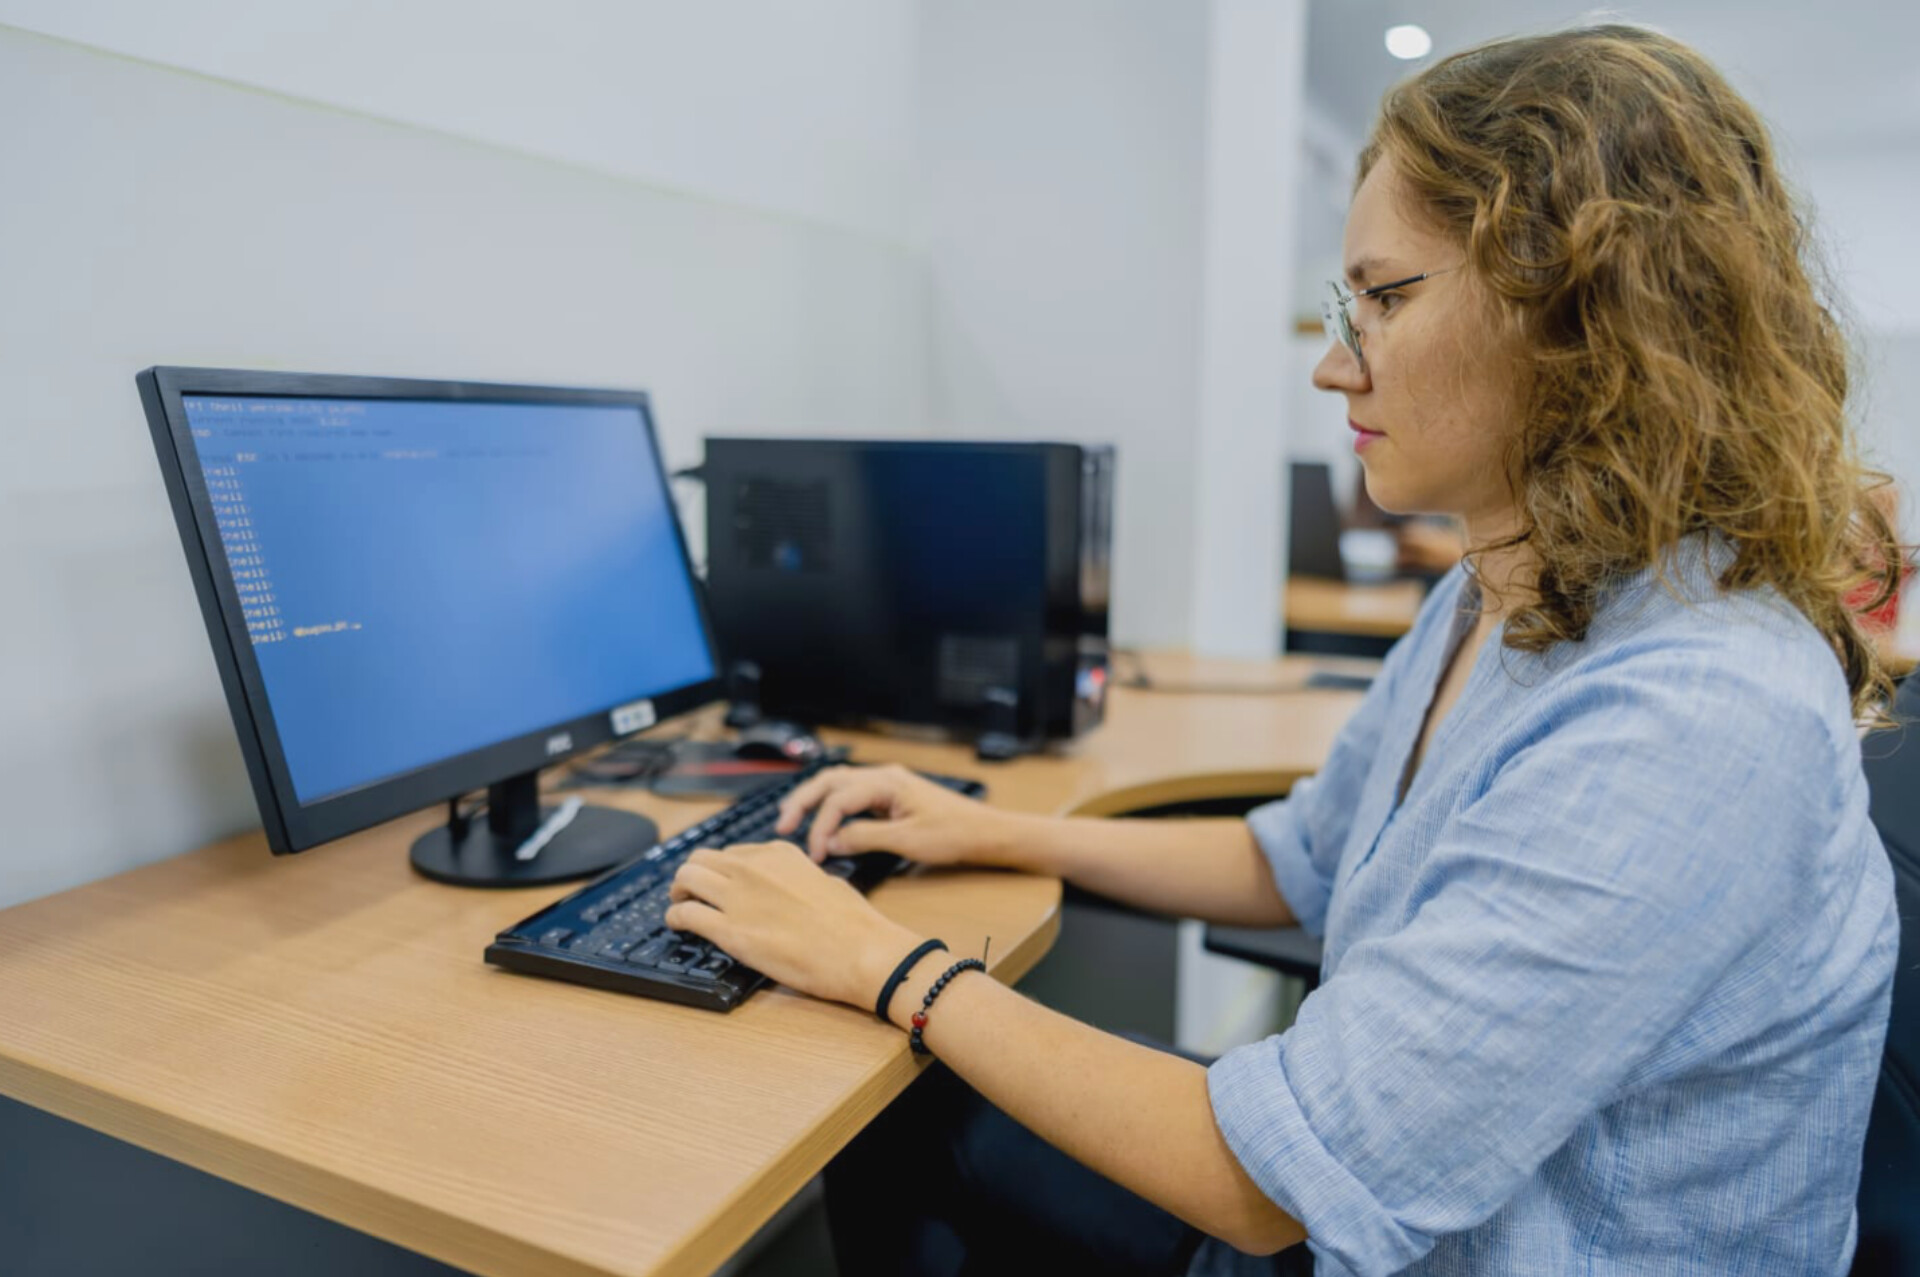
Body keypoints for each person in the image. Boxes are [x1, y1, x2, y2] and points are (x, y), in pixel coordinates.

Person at [663, 25, 1904, 1276]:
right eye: (1342, 304)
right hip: (1394, 1208)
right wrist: (987, 830)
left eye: (1387, 298)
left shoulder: (1693, 711)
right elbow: (1307, 855)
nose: (1330, 362)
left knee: (909, 1078)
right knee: (917, 1101)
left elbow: (1269, 1185)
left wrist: (890, 967)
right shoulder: (1514, 578)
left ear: (1583, 314)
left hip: (1418, 1234)